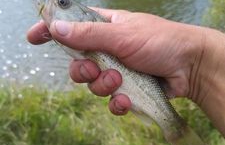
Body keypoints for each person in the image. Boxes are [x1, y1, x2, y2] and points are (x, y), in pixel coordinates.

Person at [27, 9, 225, 136]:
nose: (54, 3)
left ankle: (174, 128)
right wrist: (197, 65)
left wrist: (197, 63)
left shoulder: (82, 29)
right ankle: (175, 128)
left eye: (63, 4)